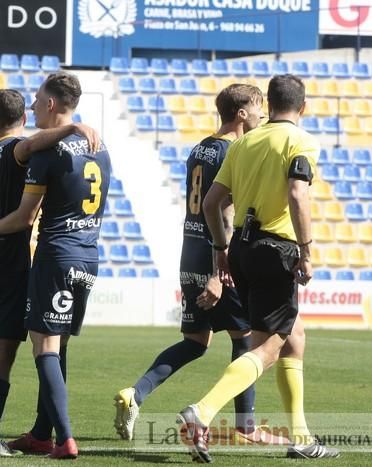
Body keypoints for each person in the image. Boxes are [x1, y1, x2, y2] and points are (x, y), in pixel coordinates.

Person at [114, 84, 289, 446]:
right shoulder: (234, 149)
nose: (261, 116)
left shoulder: (200, 147)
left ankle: (136, 393)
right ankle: (246, 427)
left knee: (195, 341)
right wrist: (217, 271)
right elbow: (223, 212)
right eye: (258, 109)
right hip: (215, 254)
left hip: (189, 250)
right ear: (242, 114)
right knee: (245, 339)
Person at [177, 74, 340, 462]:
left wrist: (220, 248)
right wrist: (307, 250)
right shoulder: (301, 141)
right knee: (268, 347)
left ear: (268, 105)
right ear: (303, 107)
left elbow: (212, 202)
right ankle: (201, 412)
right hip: (275, 248)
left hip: (242, 250)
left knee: (292, 334)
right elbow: (298, 193)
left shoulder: (246, 142)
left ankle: (300, 436)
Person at [0, 89, 99, 456]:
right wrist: (72, 127)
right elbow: (31, 146)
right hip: (7, 262)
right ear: (21, 119)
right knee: (2, 352)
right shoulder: (18, 149)